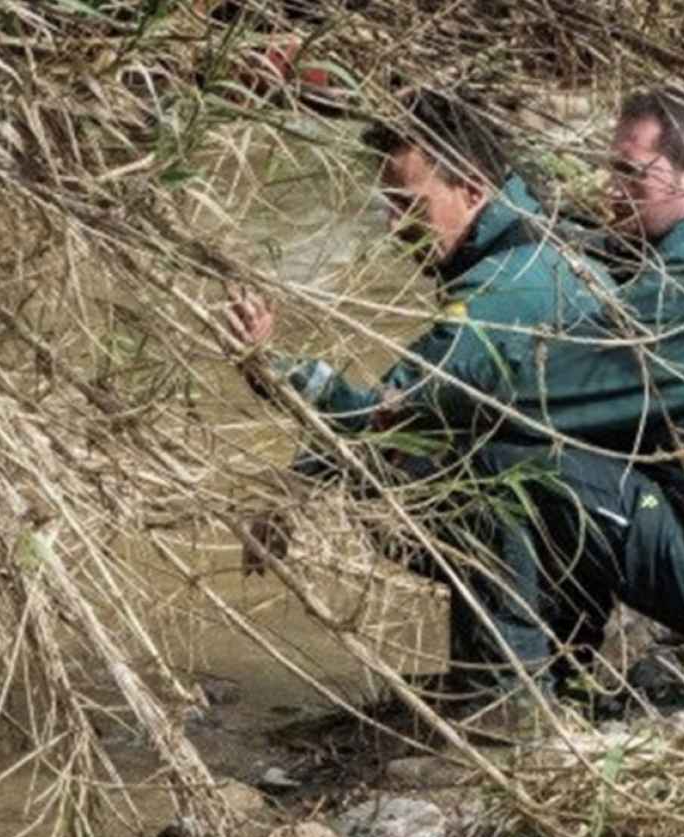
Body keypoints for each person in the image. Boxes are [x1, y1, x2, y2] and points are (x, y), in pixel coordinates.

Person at [400, 86, 684, 669]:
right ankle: (568, 669)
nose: (611, 193)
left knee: (506, 458)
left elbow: (538, 389)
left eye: (631, 176)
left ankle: (504, 702)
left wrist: (414, 392)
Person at [226, 88, 617, 689]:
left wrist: (267, 364)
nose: (394, 225)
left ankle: (502, 691)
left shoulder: (498, 299)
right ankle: (548, 659)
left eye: (409, 204)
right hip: (606, 501)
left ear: (471, 190)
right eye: (387, 204)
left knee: (406, 482)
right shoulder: (536, 236)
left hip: (602, 515)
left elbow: (379, 415)